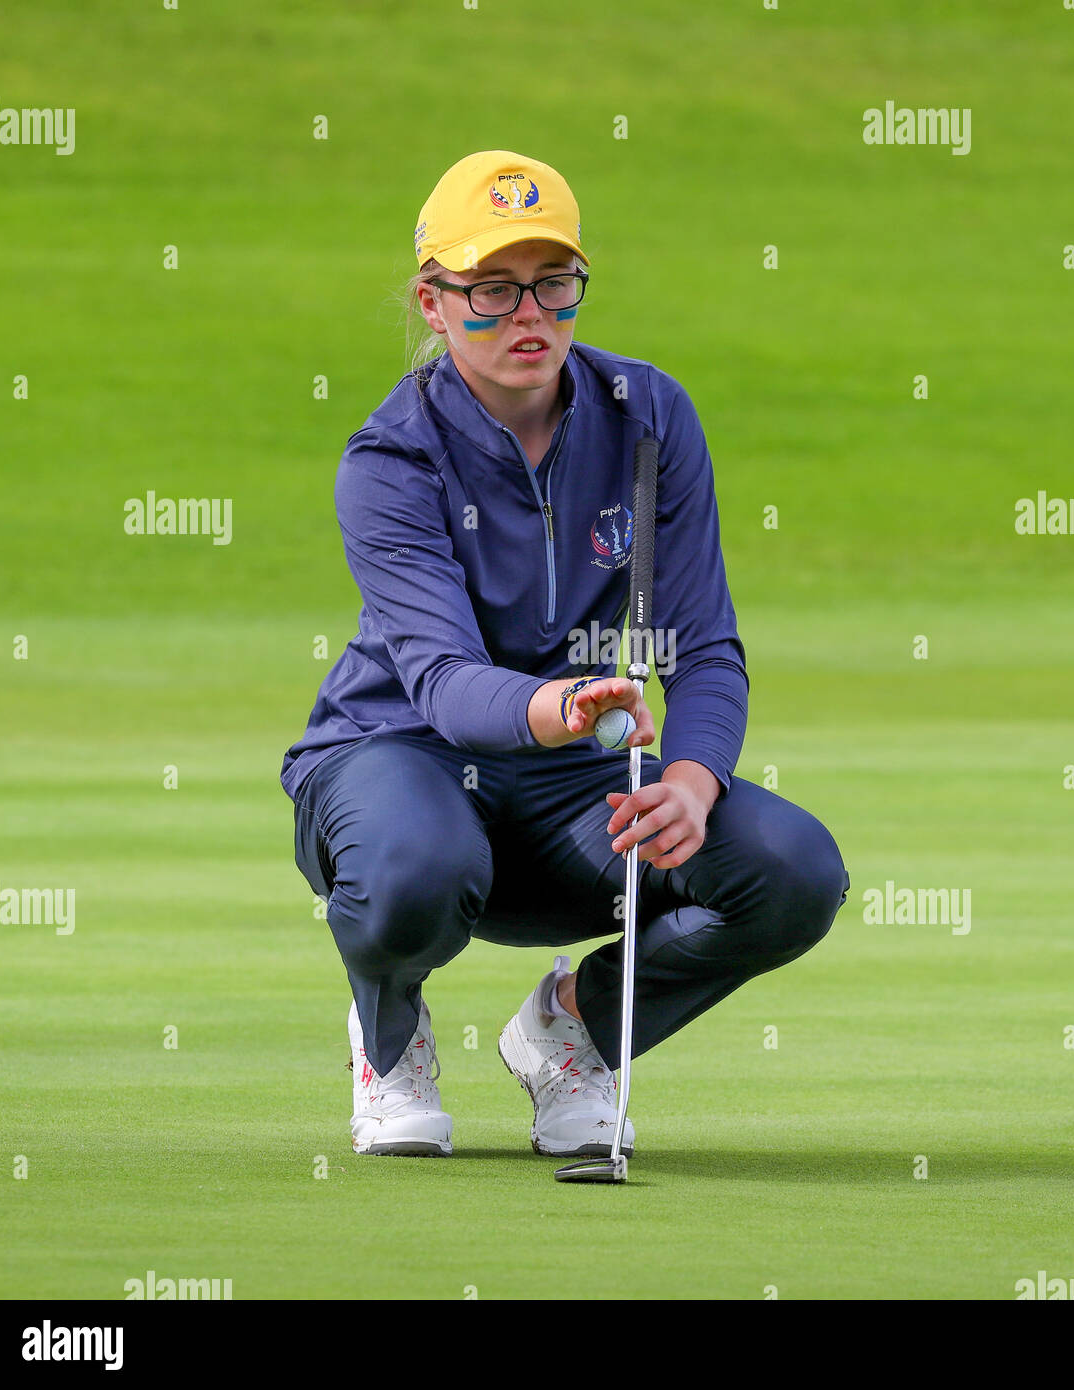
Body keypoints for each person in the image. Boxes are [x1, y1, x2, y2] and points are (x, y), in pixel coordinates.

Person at [280, 150, 850, 1159]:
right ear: (433, 300)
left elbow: (704, 644)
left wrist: (690, 779)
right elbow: (447, 686)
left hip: (568, 785)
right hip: (396, 758)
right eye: (492, 289)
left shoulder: (649, 417)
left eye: (553, 283)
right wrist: (561, 707)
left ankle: (572, 1032)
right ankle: (389, 1032)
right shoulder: (390, 457)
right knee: (416, 865)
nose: (529, 313)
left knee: (792, 870)